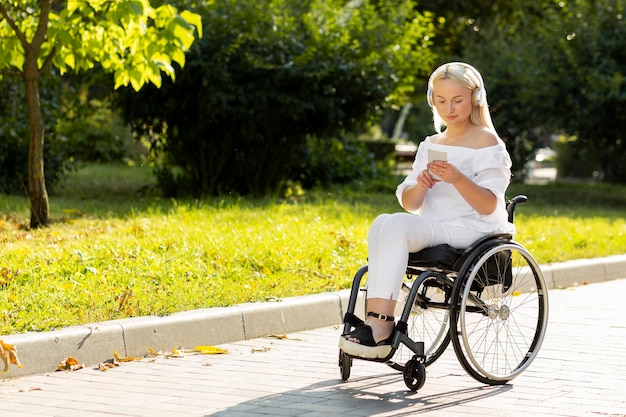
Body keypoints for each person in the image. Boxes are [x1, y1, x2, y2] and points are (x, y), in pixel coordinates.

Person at [338, 62, 516, 359]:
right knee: (383, 221)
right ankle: (375, 321)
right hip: (436, 225)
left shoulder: (487, 142)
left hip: (472, 229)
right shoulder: (431, 143)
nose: (450, 108)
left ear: (475, 98)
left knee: (396, 226)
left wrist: (457, 177)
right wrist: (421, 185)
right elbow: (410, 203)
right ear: (432, 99)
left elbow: (489, 205)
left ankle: (380, 326)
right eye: (442, 101)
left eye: (458, 100)